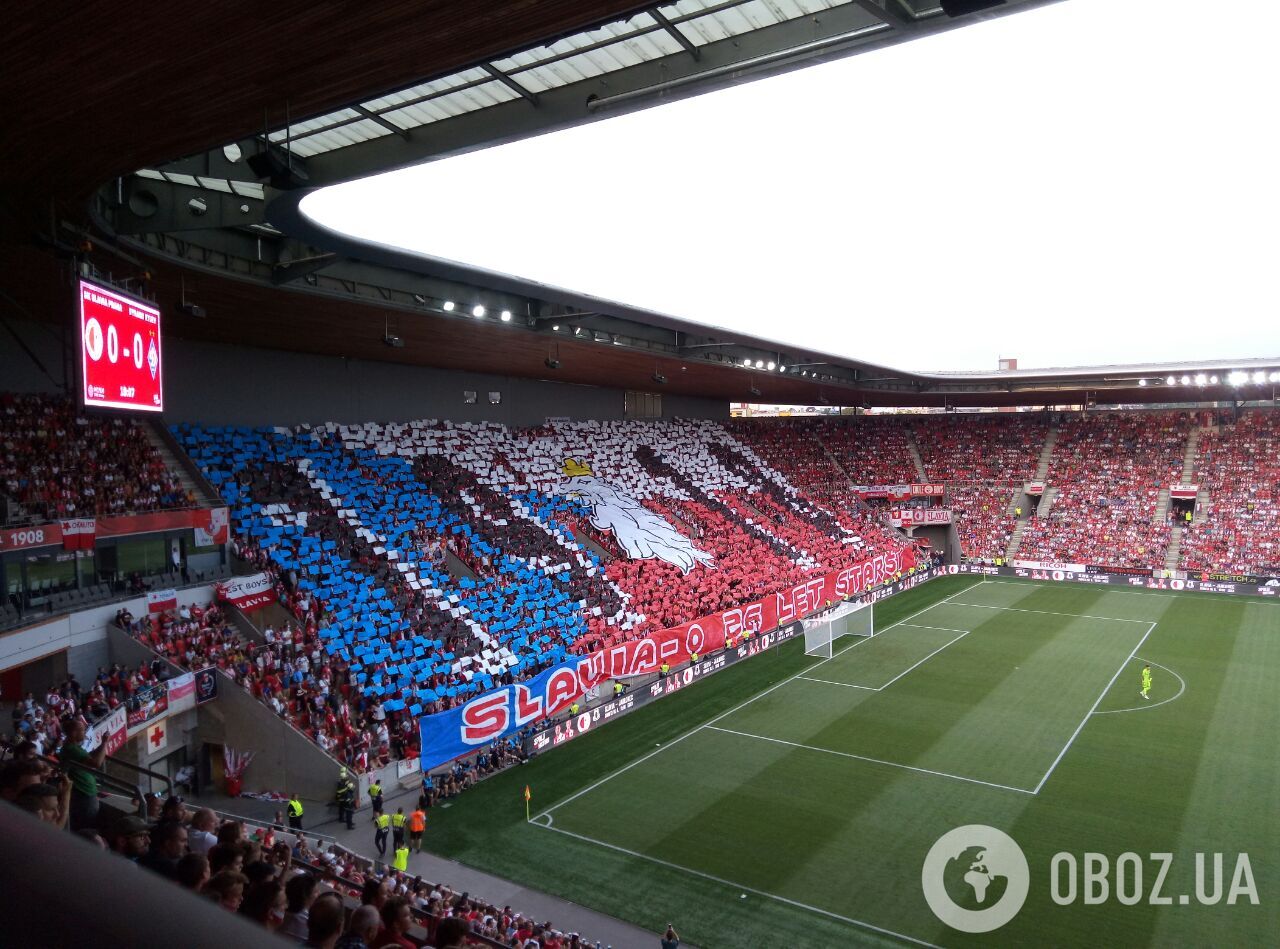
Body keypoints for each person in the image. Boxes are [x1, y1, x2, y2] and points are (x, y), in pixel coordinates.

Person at [59, 715, 106, 831]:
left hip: (84, 792)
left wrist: (100, 747)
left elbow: (88, 757)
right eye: (82, 730)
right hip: (84, 794)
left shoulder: (73, 747)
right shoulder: (72, 749)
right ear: (74, 733)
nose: (84, 732)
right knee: (86, 825)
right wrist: (105, 743)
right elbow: (96, 763)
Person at [280, 871, 320, 941]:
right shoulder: (308, 923)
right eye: (316, 892)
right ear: (305, 896)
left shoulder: (281, 909)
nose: (319, 894)